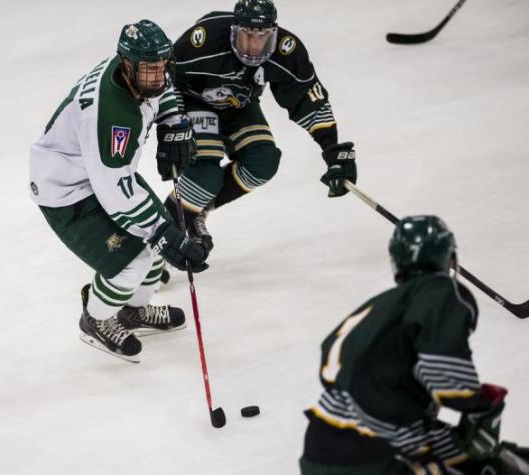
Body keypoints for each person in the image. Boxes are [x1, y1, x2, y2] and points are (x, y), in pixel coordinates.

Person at [28, 20, 209, 363]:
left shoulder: (137, 71)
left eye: (162, 67)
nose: (158, 77)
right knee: (137, 258)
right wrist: (162, 233)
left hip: (102, 173)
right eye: (150, 70)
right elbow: (114, 191)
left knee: (155, 240)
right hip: (67, 191)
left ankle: (132, 311)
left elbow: (165, 89)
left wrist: (174, 125)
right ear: (128, 65)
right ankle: (95, 320)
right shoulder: (110, 114)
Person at [300, 215, 529, 474]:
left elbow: (387, 394)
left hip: (318, 451)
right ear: (451, 258)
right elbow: (443, 371)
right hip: (372, 458)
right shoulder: (440, 292)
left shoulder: (378, 308)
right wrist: (476, 411)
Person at [163, 0, 358, 252]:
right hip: (194, 100)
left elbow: (307, 97)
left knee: (263, 162)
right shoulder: (205, 39)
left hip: (239, 105)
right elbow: (165, 78)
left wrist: (332, 151)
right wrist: (171, 125)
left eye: (263, 37)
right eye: (248, 36)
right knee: (205, 174)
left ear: (273, 32)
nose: (255, 46)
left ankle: (198, 209)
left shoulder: (287, 50)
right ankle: (155, 248)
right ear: (235, 30)